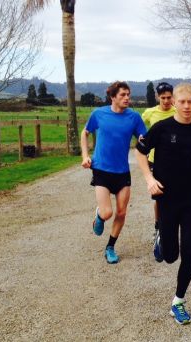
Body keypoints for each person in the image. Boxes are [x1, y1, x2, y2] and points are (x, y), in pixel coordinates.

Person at [135, 83, 191, 325]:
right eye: (182, 102)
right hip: (167, 198)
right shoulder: (162, 128)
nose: (186, 106)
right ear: (174, 102)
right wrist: (149, 178)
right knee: (170, 256)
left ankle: (178, 301)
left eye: (190, 102)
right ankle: (162, 239)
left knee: (189, 252)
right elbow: (140, 151)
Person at [80, 81, 147, 264]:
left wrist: (143, 140)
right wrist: (85, 156)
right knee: (108, 212)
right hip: (101, 168)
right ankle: (100, 215)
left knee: (122, 212)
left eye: (128, 95)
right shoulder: (99, 114)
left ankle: (110, 247)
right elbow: (84, 133)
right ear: (113, 97)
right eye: (123, 95)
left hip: (122, 172)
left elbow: (143, 136)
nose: (127, 98)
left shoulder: (133, 117)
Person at [141, 82, 176, 245]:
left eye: (169, 97)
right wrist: (142, 137)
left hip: (176, 160)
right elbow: (139, 127)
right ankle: (158, 226)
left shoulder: (178, 111)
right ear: (157, 97)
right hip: (155, 160)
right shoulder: (150, 113)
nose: (166, 101)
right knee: (159, 197)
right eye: (163, 98)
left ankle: (173, 227)